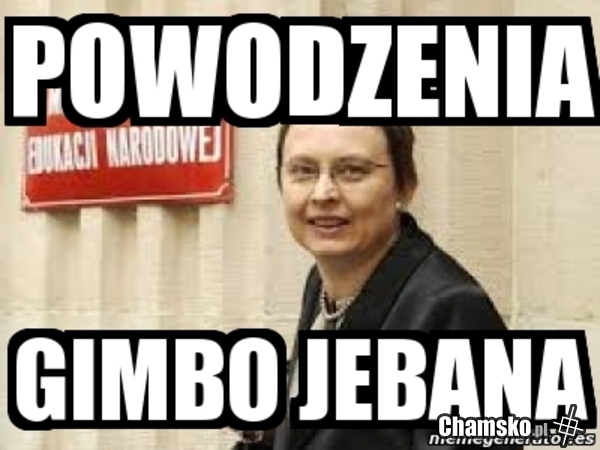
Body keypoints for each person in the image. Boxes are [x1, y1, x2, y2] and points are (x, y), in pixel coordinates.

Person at [232, 125, 520, 450]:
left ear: (405, 186)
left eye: (352, 171)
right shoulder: (322, 282)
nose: (323, 193)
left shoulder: (455, 312)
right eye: (303, 171)